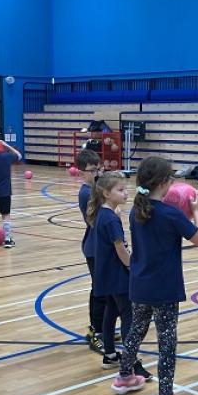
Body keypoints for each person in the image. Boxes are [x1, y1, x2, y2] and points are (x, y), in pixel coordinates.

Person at [112, 156, 198, 395]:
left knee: (136, 330)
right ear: (165, 183)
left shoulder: (136, 210)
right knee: (167, 343)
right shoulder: (170, 214)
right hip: (163, 288)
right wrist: (197, 210)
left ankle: (124, 376)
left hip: (139, 284)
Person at [87, 171, 147, 375]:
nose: (126, 193)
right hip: (117, 274)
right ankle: (131, 361)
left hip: (105, 273)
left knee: (111, 311)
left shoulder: (102, 214)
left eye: (125, 189)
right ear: (106, 193)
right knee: (128, 314)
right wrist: (132, 268)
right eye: (120, 190)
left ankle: (110, 354)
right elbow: (120, 248)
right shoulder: (111, 219)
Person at [76, 148, 106, 353]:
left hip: (104, 247)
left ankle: (105, 328)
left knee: (107, 290)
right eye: (92, 170)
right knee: (99, 290)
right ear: (81, 172)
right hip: (94, 249)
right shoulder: (86, 193)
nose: (96, 174)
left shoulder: (98, 190)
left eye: (99, 169)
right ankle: (95, 331)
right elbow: (95, 221)